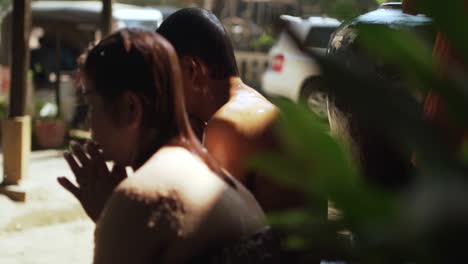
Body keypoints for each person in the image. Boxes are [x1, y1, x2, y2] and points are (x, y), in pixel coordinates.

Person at [58, 29, 266, 263]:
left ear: (130, 108)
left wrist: (116, 216)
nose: (88, 121)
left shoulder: (140, 198)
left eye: (92, 104)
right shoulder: (223, 180)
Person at [156, 8, 305, 211]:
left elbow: (215, 231)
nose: (164, 91)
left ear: (192, 69)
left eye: (166, 77)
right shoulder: (253, 106)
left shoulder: (226, 127)